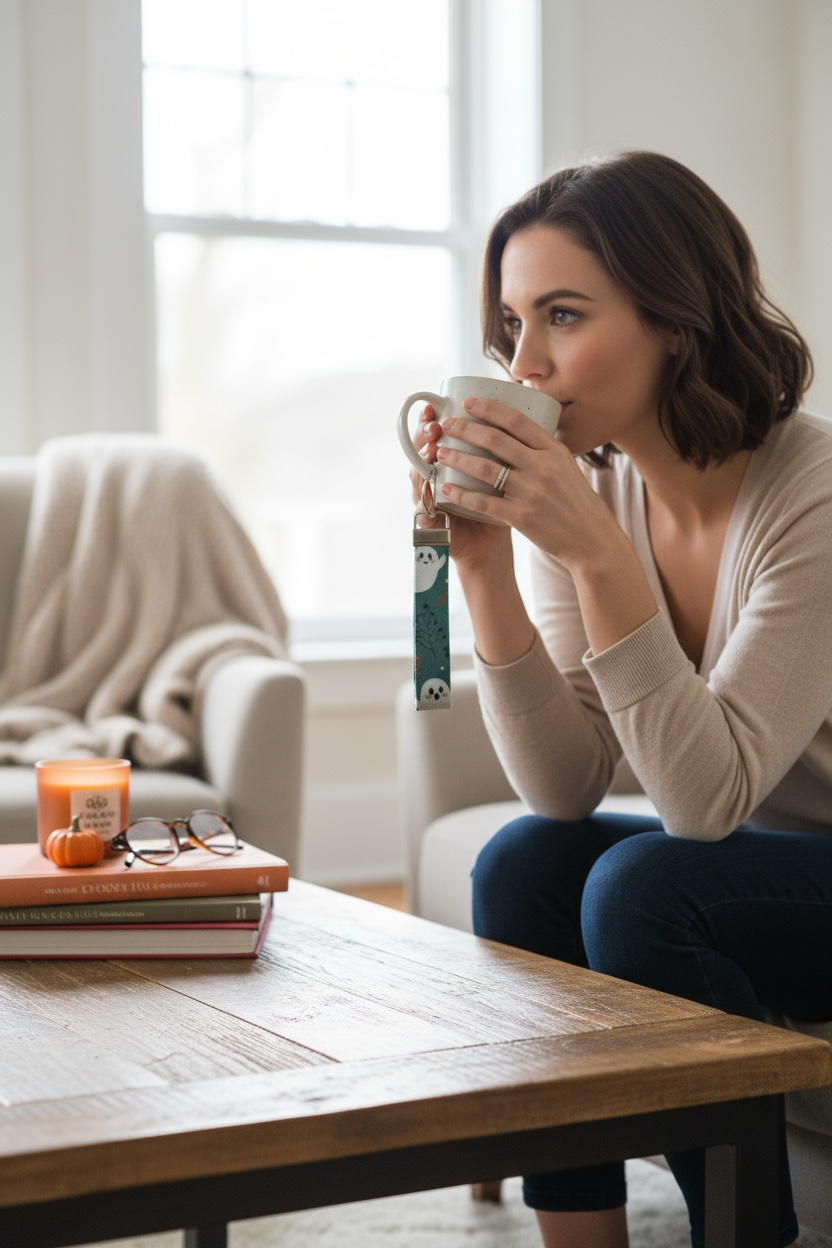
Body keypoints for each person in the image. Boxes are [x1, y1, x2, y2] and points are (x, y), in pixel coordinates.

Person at [412, 150, 832, 1248]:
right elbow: (563, 788)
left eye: (562, 315)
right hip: (775, 868)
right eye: (512, 325)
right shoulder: (590, 489)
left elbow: (702, 806)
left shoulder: (814, 494)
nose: (526, 364)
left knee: (645, 887)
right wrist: (484, 567)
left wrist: (597, 556)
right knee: (524, 859)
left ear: (675, 319)